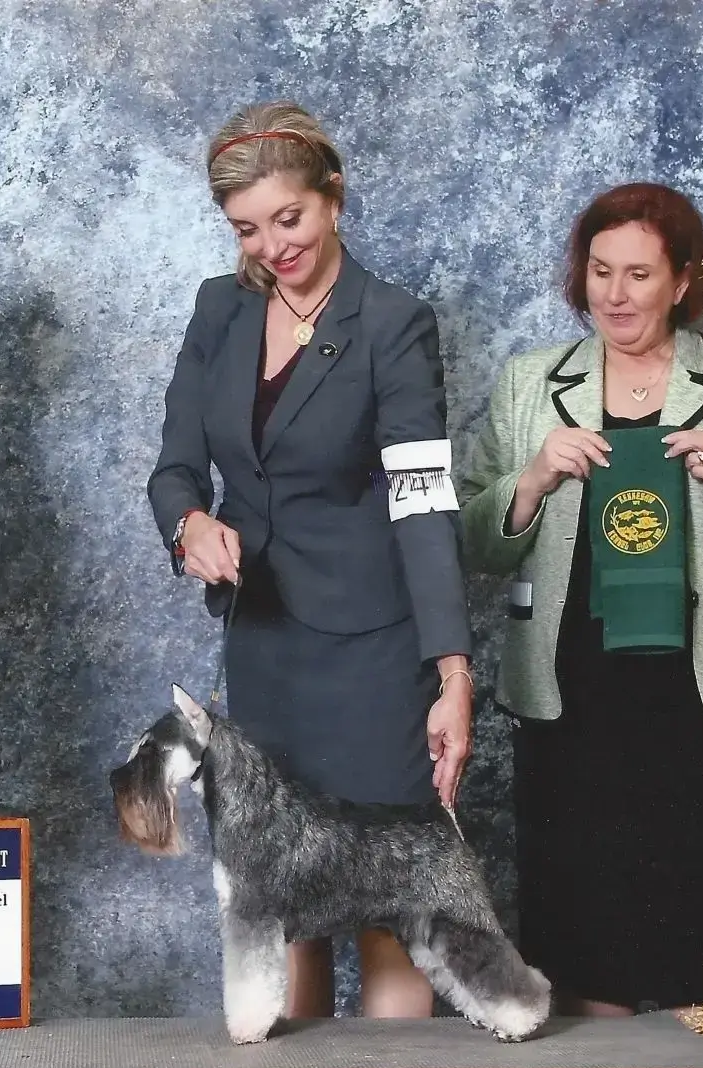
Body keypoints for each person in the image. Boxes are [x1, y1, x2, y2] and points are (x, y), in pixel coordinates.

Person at [149, 102, 473, 1019]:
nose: (271, 246)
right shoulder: (219, 309)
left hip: (375, 650)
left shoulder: (394, 323)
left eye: (287, 219)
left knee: (384, 904)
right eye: (246, 229)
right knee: (279, 898)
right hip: (266, 647)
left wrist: (450, 670)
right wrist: (189, 525)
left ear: (333, 198)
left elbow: (422, 502)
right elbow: (176, 464)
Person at [457, 182, 703, 1016]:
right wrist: (531, 479)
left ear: (683, 281)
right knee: (584, 924)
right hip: (576, 695)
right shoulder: (531, 382)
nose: (614, 293)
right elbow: (475, 542)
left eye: (638, 274)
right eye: (601, 271)